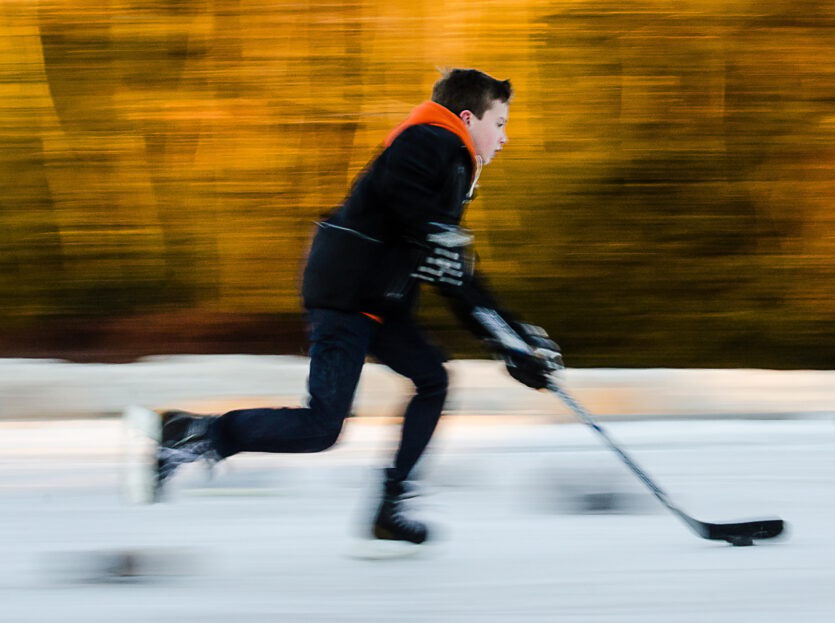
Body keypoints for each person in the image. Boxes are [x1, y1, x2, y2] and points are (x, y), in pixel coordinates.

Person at [148, 68, 563, 548]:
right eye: (501, 122)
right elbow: (422, 226)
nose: (505, 138)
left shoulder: (450, 161)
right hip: (347, 297)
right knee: (322, 427)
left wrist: (512, 339)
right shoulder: (431, 142)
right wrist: (504, 338)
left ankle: (390, 506)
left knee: (433, 378)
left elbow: (451, 270)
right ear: (468, 118)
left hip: (378, 299)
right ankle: (193, 433)